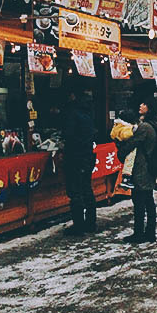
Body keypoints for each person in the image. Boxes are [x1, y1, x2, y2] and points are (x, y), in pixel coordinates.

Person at [114, 99, 157, 243]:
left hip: (141, 168)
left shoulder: (145, 127)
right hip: (149, 167)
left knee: (139, 201)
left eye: (144, 104)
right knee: (148, 201)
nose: (141, 105)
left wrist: (120, 151)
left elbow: (132, 144)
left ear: (149, 109)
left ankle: (139, 233)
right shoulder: (156, 125)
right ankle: (150, 232)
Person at [60, 88, 97, 235]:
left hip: (75, 156)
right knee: (87, 189)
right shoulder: (89, 112)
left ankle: (79, 225)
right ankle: (90, 222)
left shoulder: (73, 113)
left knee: (75, 191)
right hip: (87, 155)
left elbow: (69, 134)